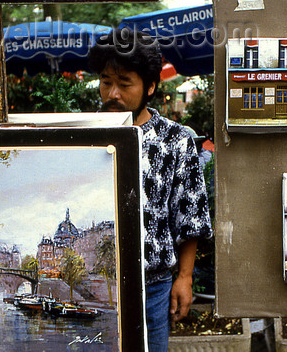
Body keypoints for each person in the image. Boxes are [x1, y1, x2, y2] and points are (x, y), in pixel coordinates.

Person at [88, 29, 213, 352]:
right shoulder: (83, 135)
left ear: (151, 87)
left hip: (152, 287)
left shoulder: (175, 140)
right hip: (99, 284)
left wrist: (184, 278)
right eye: (105, 82)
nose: (112, 93)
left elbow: (191, 213)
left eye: (125, 84)